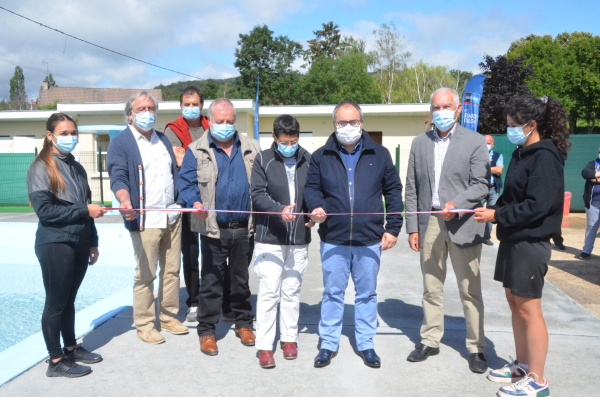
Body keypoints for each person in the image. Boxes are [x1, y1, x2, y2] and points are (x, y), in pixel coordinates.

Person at [475, 95, 569, 397]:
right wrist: (486, 210)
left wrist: (497, 215)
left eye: (514, 126)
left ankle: (538, 381)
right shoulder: (519, 154)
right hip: (513, 239)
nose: (510, 130)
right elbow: (510, 197)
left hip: (531, 242)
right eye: (507, 125)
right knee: (515, 304)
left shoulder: (545, 157)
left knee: (530, 311)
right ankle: (523, 365)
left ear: (532, 125)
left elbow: (537, 206)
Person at [304, 101, 404, 369]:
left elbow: (393, 192)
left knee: (367, 294)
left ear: (362, 122)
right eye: (342, 122)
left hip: (369, 238)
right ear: (334, 124)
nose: (347, 127)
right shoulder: (320, 156)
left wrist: (393, 228)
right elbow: (311, 188)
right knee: (333, 293)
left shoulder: (380, 154)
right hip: (333, 239)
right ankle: (328, 343)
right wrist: (315, 206)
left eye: (353, 122)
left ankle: (366, 343)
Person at [404, 87, 490, 374]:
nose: (440, 112)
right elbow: (413, 187)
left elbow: (481, 184)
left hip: (463, 223)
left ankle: (476, 347)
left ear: (457, 110)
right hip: (429, 223)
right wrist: (412, 227)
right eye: (435, 107)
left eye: (445, 106)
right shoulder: (419, 143)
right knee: (431, 287)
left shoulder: (475, 142)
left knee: (470, 290)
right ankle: (430, 340)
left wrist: (459, 203)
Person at [176, 98, 260, 356]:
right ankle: (207, 331)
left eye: (230, 122)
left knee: (241, 280)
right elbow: (185, 184)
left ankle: (243, 322)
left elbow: (262, 182)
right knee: (211, 282)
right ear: (209, 121)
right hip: (213, 229)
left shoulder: (252, 148)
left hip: (244, 228)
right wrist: (194, 201)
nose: (225, 126)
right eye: (220, 121)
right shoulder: (195, 150)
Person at [27, 113, 106, 377]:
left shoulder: (76, 166)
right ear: (50, 136)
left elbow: (87, 208)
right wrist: (84, 210)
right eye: (64, 133)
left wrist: (92, 242)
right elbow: (46, 212)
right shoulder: (40, 168)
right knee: (55, 303)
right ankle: (56, 360)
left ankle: (70, 347)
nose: (70, 137)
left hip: (80, 241)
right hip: (56, 243)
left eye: (73, 132)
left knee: (69, 300)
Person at [107, 91, 188, 345]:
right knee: (145, 274)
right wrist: (124, 199)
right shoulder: (121, 143)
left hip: (172, 216)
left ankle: (168, 317)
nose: (147, 113)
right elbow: (118, 176)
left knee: (173, 271)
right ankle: (144, 324)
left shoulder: (163, 139)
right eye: (141, 109)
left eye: (151, 108)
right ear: (130, 115)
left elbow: (174, 172)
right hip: (145, 220)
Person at [163, 87, 232, 323]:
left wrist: (190, 157)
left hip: (214, 198)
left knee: (215, 252)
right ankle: (193, 301)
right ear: (180, 105)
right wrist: (198, 158)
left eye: (195, 104)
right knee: (190, 253)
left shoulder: (213, 123)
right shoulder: (173, 129)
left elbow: (213, 155)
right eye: (186, 103)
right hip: (187, 197)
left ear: (202, 105)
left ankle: (217, 299)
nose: (190, 107)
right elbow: (178, 160)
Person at [250, 115, 312, 368]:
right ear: (275, 138)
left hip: (299, 238)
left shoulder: (308, 158)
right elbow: (256, 194)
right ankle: (265, 346)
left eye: (294, 141)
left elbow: (315, 191)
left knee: (291, 292)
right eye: (285, 141)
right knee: (268, 293)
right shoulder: (263, 159)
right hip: (270, 238)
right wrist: (278, 210)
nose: (290, 145)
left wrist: (313, 213)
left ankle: (289, 339)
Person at [577, 147, 600, 260]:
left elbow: (591, 176)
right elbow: (585, 173)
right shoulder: (592, 163)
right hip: (593, 202)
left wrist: (594, 177)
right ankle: (586, 251)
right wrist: (597, 177)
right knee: (591, 227)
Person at [482, 135, 504, 246]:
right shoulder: (477, 155)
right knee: (476, 211)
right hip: (480, 188)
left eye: (489, 143)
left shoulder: (498, 156)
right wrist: (492, 169)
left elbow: (499, 170)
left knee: (491, 212)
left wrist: (483, 169)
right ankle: (475, 235)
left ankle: (487, 236)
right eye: (485, 142)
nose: (487, 145)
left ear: (493, 144)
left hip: (493, 188)